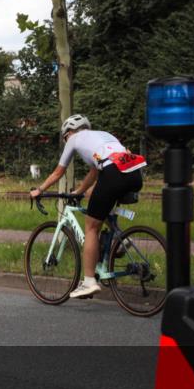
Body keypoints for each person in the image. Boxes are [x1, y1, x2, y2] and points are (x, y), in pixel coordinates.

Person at [29, 114, 146, 298]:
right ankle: (121, 241)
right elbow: (95, 171)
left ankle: (89, 281)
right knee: (102, 208)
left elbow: (59, 172)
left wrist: (40, 189)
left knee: (91, 226)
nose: (66, 140)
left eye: (65, 137)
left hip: (113, 173)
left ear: (69, 132)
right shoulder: (104, 136)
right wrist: (80, 191)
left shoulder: (73, 139)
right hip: (134, 173)